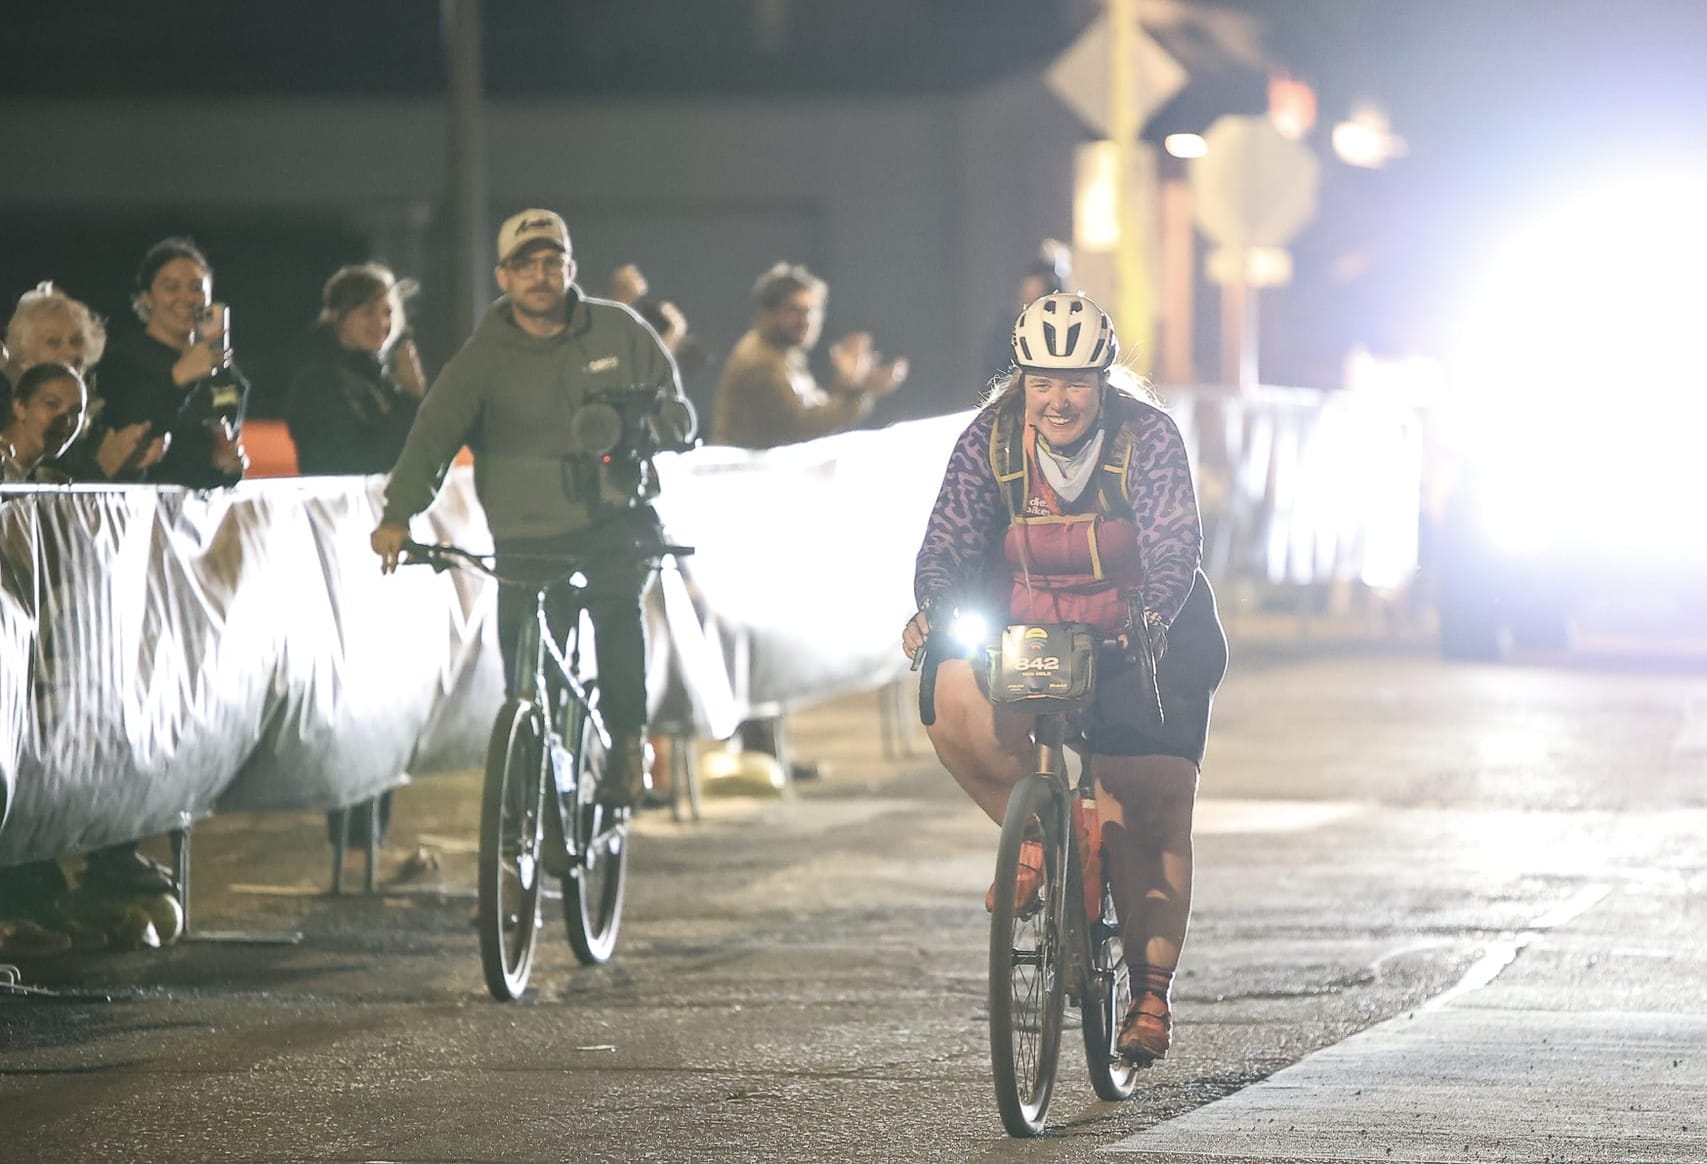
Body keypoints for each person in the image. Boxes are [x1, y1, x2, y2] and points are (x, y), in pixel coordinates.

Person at [902, 293, 1227, 1063]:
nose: (1058, 400)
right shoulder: (989, 440)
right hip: (1031, 629)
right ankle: (1042, 839)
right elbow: (947, 537)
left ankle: (1148, 992)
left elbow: (1174, 540)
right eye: (1042, 382)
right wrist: (936, 607)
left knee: (1143, 806)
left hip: (1140, 633)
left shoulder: (1146, 436)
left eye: (1077, 382)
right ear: (1020, 380)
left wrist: (1147, 617)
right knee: (948, 696)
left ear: (1103, 381)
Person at [370, 208, 692, 805]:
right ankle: (535, 779)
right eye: (526, 266)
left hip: (616, 519)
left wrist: (636, 425)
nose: (540, 276)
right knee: (523, 659)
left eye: (551, 263)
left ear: (570, 268)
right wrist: (398, 515)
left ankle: (627, 744)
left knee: (618, 609)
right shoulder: (482, 357)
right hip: (525, 529)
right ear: (503, 277)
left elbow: (679, 415)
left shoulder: (620, 331)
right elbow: (433, 436)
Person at [95, 237, 249, 489]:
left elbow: (223, 434)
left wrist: (229, 467)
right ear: (146, 298)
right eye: (171, 287)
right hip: (142, 511)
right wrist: (177, 378)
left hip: (200, 514)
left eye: (196, 287)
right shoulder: (121, 361)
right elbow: (130, 436)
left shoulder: (220, 366)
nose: (186, 298)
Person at [709, 262, 907, 450]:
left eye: (811, 311)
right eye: (793, 311)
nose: (806, 321)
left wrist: (849, 385)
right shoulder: (761, 362)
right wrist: (860, 393)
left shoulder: (783, 354)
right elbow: (802, 426)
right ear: (767, 314)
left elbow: (812, 408)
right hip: (746, 479)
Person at [3, 283, 164, 479]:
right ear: (22, 356)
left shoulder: (99, 418)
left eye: (77, 341)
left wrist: (127, 465)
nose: (71, 353)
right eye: (53, 342)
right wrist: (103, 467)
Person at [286, 262, 428, 476]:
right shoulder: (317, 383)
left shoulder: (381, 379)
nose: (381, 323)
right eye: (368, 312)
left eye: (387, 312)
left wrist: (412, 395)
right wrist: (410, 397)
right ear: (337, 315)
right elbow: (363, 463)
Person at [981, 239, 1072, 386]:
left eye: (1037, 297)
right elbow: (995, 374)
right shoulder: (1007, 327)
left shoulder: (1064, 328)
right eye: (1028, 296)